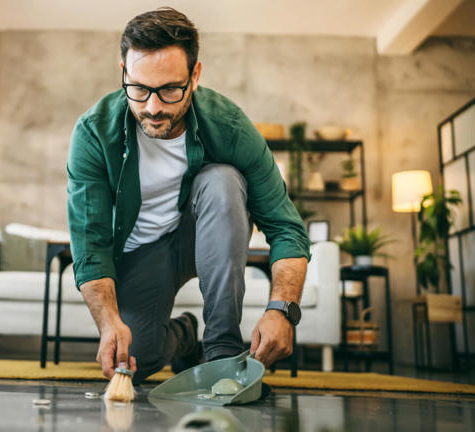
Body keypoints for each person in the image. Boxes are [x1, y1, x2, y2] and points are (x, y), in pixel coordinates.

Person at [66, 7, 311, 385]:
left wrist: (282, 310)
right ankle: (184, 336)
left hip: (203, 233)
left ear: (195, 75)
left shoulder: (229, 126)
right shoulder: (93, 133)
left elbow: (286, 227)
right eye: (139, 88)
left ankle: (222, 351)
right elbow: (90, 243)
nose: (152, 107)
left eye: (169, 89)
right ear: (123, 71)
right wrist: (110, 322)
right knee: (137, 359)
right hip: (140, 250)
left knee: (223, 180)